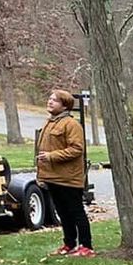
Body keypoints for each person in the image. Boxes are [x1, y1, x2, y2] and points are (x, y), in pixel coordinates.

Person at [35, 89, 92, 256]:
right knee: (62, 213)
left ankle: (86, 246)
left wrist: (52, 156)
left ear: (65, 105)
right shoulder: (50, 123)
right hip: (52, 177)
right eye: (50, 98)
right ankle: (69, 244)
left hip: (68, 178)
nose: (50, 102)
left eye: (55, 100)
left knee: (76, 212)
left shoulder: (71, 124)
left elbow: (77, 149)